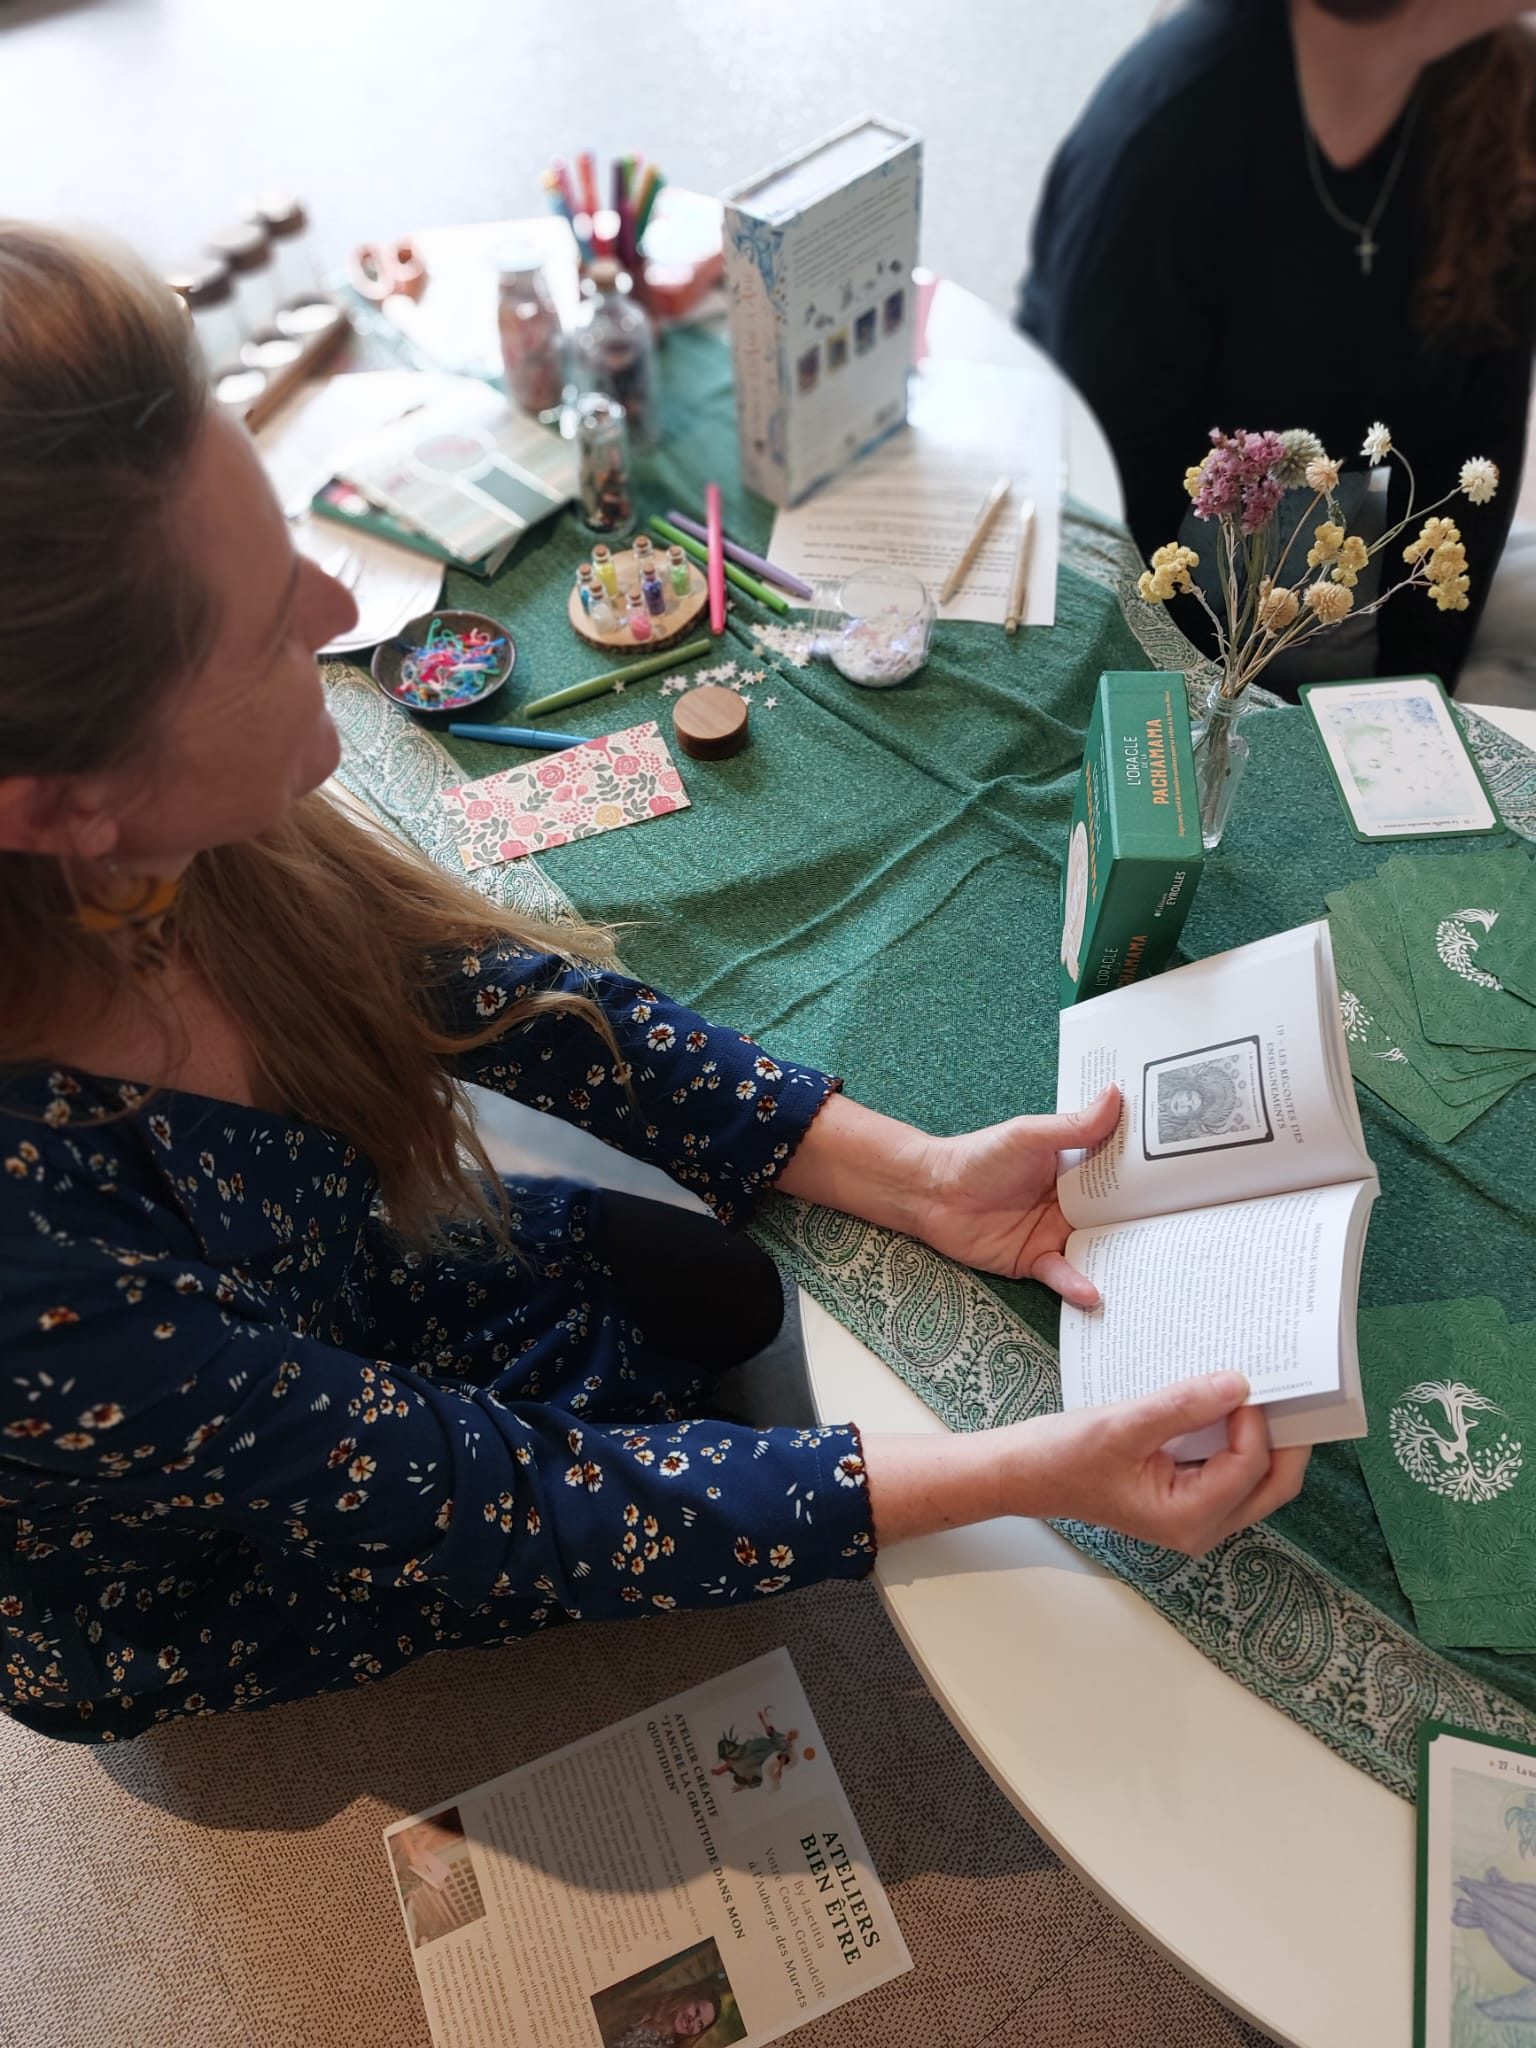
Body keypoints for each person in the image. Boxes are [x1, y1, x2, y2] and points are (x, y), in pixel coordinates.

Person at [0, 226, 1306, 1745]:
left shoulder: (161, 839)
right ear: (71, 807)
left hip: (340, 1269)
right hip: (202, 1544)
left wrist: (920, 1174)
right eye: (252, 632)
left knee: (731, 1296)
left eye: (283, 540)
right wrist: (1039, 1474)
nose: (336, 614)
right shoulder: (35, 1269)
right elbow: (503, 1505)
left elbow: (518, 1002)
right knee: (689, 1466)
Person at [1019, 0, 1536, 694]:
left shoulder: (1494, 91)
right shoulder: (1165, 143)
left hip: (1361, 539)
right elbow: (1111, 539)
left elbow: (1480, 432)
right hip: (1192, 586)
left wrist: (1417, 687)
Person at [610, 1990, 718, 2048]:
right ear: (687, 1997)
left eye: (700, 2024)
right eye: (697, 2011)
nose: (693, 2022)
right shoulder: (644, 2004)